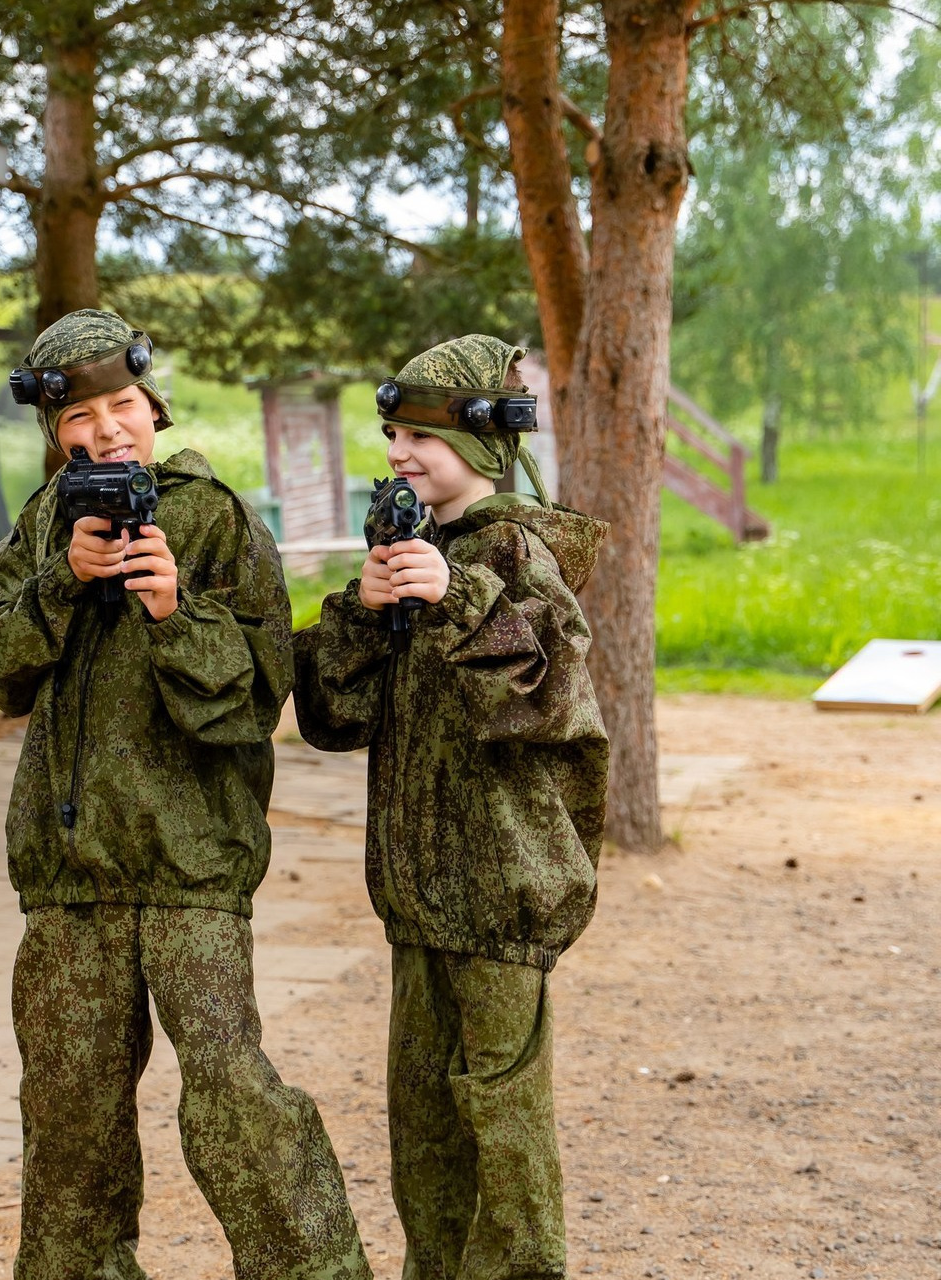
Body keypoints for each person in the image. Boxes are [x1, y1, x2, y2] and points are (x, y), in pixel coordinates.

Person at [0, 309, 371, 1280]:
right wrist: (62, 579)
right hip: (71, 878)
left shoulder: (211, 513)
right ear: (55, 430)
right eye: (80, 415)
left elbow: (257, 697)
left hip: (189, 869)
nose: (106, 428)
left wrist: (173, 608)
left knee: (230, 1094)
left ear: (151, 402)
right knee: (68, 1110)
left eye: (121, 403)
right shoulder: (49, 519)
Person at [293, 335, 611, 1280]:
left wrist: (461, 600)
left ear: (481, 441)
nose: (397, 451)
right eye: (392, 431)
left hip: (501, 904)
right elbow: (334, 719)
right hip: (421, 905)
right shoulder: (417, 552)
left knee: (503, 1135)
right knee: (426, 1139)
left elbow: (556, 701)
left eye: (420, 435)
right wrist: (361, 608)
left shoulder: (518, 550)